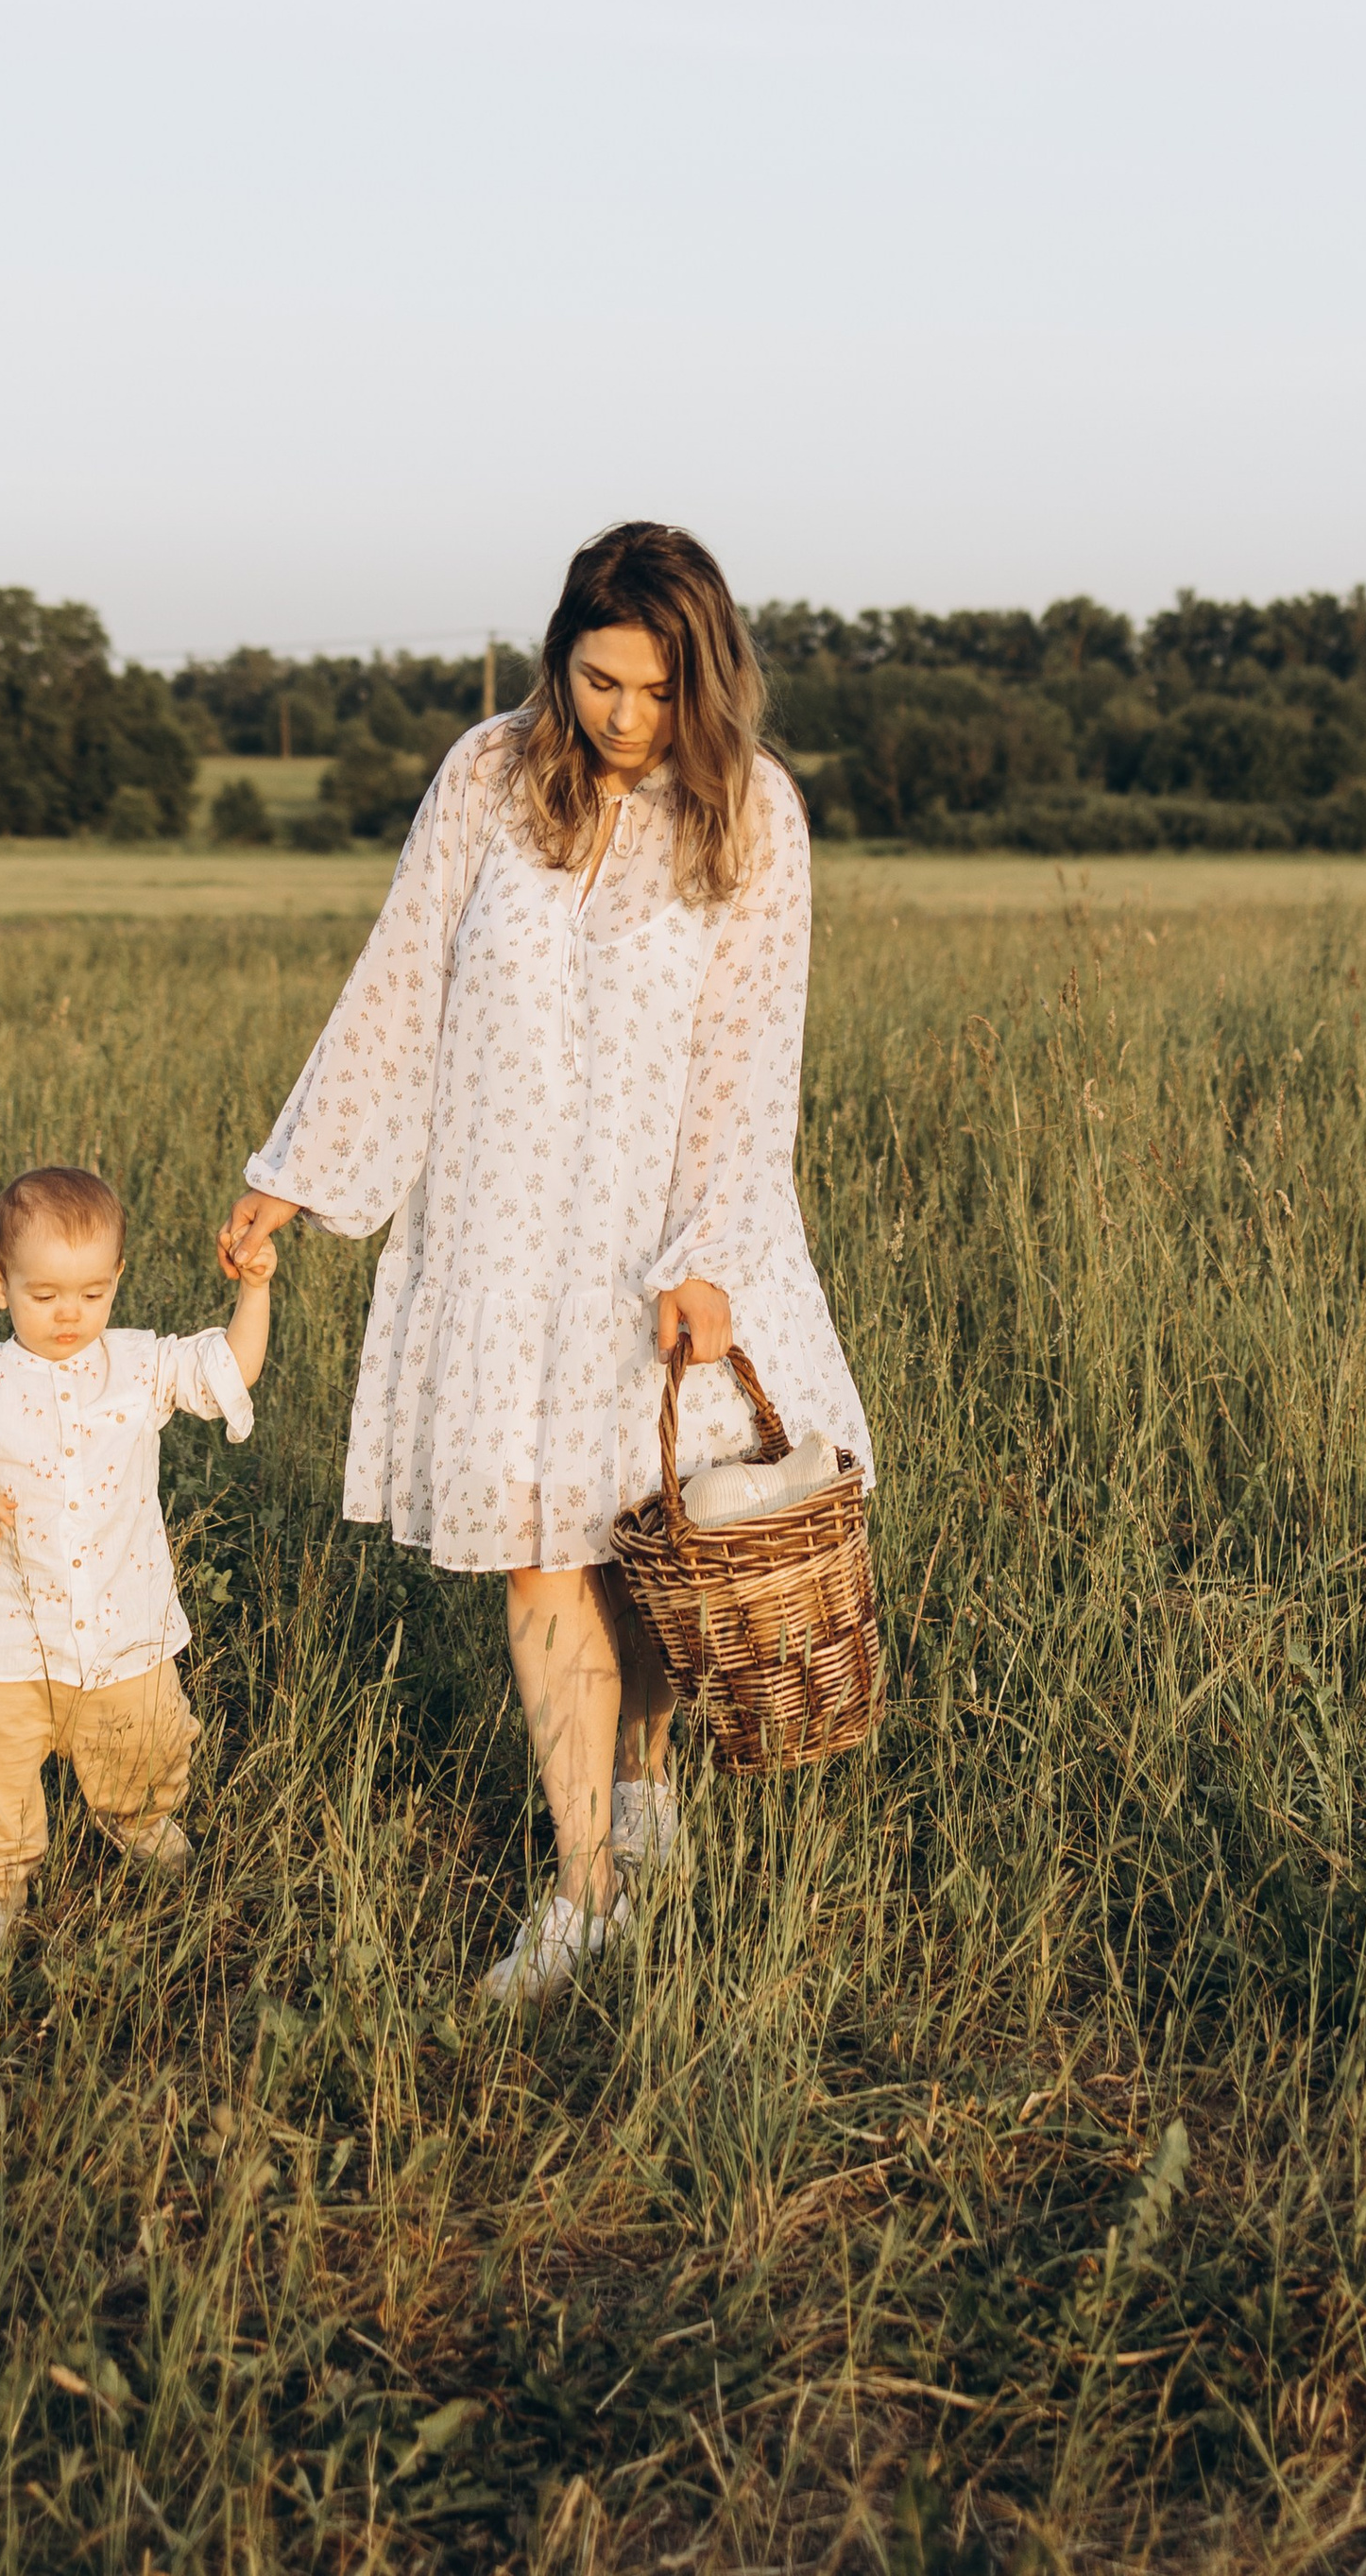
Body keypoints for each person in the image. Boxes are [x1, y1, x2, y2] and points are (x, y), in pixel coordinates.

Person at [220, 521, 871, 2005]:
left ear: (707, 680)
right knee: (537, 1556)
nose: (627, 718)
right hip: (502, 1238)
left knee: (644, 1548)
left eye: (659, 691)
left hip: (658, 1244)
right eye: (599, 682)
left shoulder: (754, 812)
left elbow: (749, 1059)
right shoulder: (488, 774)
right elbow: (399, 982)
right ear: (558, 657)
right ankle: (585, 1895)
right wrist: (292, 1179)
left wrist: (708, 1254)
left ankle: (646, 1808)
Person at [0, 1163, 274, 1973]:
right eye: (45, 1295)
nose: (70, 1313)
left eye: (93, 1293)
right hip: (7, 1640)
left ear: (117, 1280)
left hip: (121, 1626)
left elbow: (230, 1370)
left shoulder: (136, 1366)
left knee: (143, 1745)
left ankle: (143, 1823)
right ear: (0, 1285)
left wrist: (255, 1289)